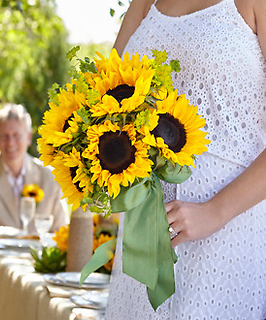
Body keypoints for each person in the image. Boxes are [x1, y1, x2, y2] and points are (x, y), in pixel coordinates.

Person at [105, 0, 266, 319]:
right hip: (144, 231)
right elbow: (106, 97)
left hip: (228, 234)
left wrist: (215, 211)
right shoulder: (144, 3)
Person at [0, 103, 67, 233]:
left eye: (17, 136)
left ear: (29, 137)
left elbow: (61, 232)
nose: (10, 143)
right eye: (4, 136)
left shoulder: (50, 177)